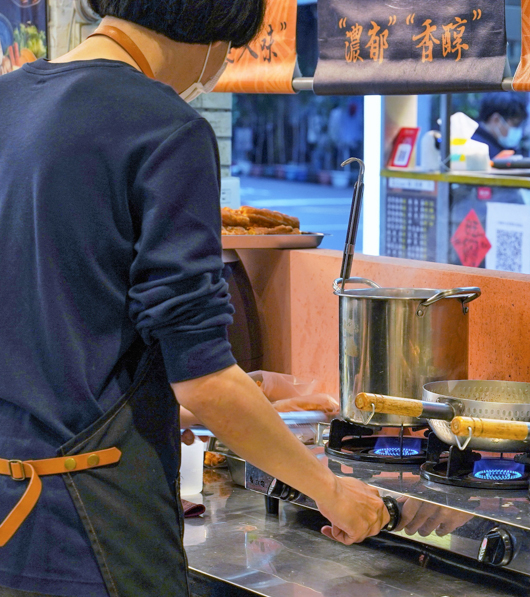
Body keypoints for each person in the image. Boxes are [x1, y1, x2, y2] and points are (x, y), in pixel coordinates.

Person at [0, 2, 389, 596]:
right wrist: (329, 489)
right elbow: (204, 378)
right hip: (95, 525)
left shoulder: (7, 101)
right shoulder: (163, 127)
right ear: (214, 30)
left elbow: (60, 329)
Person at [469, 92, 529, 158]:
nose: (518, 130)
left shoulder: (497, 146)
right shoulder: (479, 150)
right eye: (515, 124)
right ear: (496, 120)